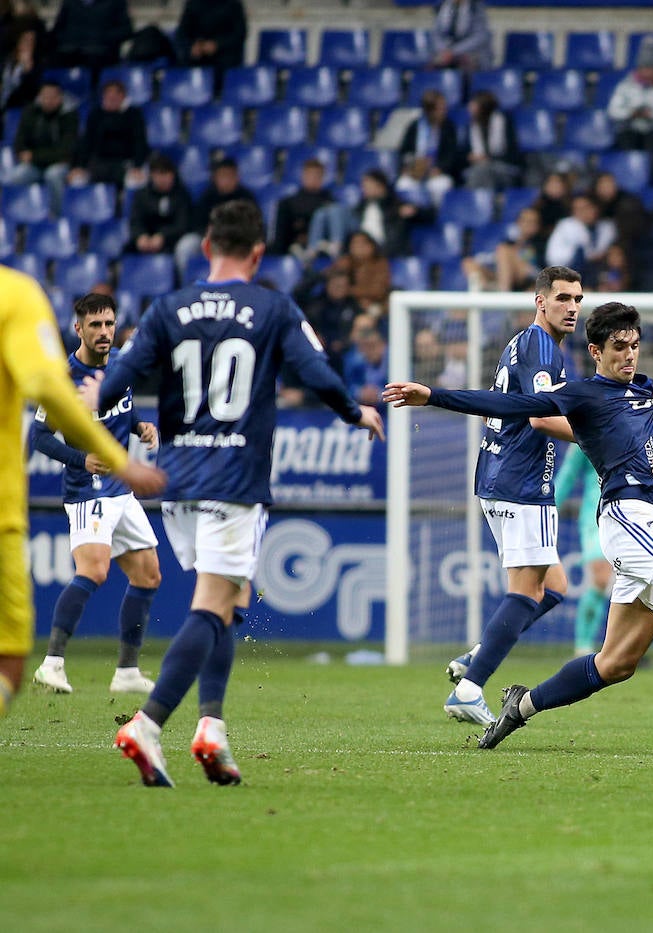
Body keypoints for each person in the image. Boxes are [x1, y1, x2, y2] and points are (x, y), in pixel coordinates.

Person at [104, 200, 384, 787]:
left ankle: (212, 729)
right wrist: (351, 412)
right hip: (234, 479)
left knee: (229, 600)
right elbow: (316, 371)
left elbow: (115, 382)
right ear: (258, 253)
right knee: (213, 604)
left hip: (176, 479)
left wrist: (109, 451)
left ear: (206, 247)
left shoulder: (167, 307)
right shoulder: (272, 307)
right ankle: (148, 725)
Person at [381, 301, 653, 751]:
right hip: (629, 516)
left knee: (616, 664)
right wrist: (433, 395)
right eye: (619, 347)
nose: (629, 355)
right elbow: (512, 404)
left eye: (635, 346)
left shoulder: (650, 391)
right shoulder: (585, 395)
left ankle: (520, 706)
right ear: (597, 351)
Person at [417, 267, 584, 724]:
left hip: (498, 474)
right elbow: (541, 418)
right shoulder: (543, 348)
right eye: (563, 298)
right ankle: (469, 689)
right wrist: (603, 439)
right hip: (523, 481)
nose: (572, 307)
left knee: (555, 587)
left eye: (578, 299)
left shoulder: (522, 342)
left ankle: (477, 657)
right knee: (528, 590)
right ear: (540, 301)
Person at [0, 266, 164, 718]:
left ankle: (127, 670)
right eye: (95, 325)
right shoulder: (63, 373)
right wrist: (81, 459)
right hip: (89, 487)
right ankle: (51, 664)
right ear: (78, 329)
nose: (104, 332)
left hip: (119, 489)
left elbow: (122, 415)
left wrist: (141, 426)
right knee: (92, 570)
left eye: (109, 323)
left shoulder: (120, 370)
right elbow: (41, 437)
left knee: (148, 573)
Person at [554, 444, 610, 657]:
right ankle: (583, 648)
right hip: (594, 517)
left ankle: (625, 648)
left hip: (630, 513)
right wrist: (548, 513)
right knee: (601, 577)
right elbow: (567, 476)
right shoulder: (582, 434)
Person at [176, 157, 257, 276]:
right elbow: (197, 223)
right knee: (186, 246)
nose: (226, 180)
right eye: (222, 176)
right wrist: (211, 235)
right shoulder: (207, 196)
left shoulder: (246, 197)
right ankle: (186, 285)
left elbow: (253, 225)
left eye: (229, 176)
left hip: (238, 240)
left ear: (237, 177)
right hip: (211, 239)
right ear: (215, 178)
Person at [607, 38, 653, 161]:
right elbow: (613, 111)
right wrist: (631, 113)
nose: (646, 72)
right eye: (643, 68)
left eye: (650, 68)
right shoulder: (625, 86)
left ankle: (651, 176)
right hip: (631, 128)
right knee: (626, 139)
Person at [68, 80, 149, 190]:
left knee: (136, 182)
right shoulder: (96, 114)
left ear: (123, 97)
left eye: (114, 98)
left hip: (126, 163)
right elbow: (86, 141)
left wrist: (137, 166)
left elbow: (140, 142)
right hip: (99, 164)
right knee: (76, 181)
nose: (110, 101)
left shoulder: (134, 115)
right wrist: (79, 166)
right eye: (107, 98)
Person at [5, 80, 78, 201]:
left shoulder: (69, 116)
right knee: (13, 177)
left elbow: (65, 151)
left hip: (58, 164)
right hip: (35, 166)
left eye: (52, 97)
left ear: (60, 98)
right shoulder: (30, 112)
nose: (48, 101)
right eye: (45, 97)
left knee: (53, 175)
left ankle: (56, 216)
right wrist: (24, 154)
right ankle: (13, 215)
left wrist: (33, 156)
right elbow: (19, 141)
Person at [399, 90, 462, 205]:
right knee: (403, 184)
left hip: (437, 173)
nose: (444, 111)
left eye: (444, 107)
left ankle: (435, 217)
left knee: (442, 185)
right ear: (430, 111)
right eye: (441, 108)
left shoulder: (448, 128)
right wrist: (409, 168)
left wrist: (439, 168)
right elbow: (404, 151)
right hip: (416, 171)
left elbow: (451, 154)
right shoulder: (415, 126)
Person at [125, 154, 193, 256]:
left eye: (166, 174)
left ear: (173, 174)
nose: (162, 179)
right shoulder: (142, 195)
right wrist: (140, 236)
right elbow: (135, 220)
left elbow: (182, 224)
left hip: (173, 240)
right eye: (158, 174)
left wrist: (163, 236)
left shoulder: (182, 195)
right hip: (146, 240)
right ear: (151, 176)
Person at [270, 158, 334, 260]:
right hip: (292, 247)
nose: (313, 179)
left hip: (321, 250)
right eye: (309, 175)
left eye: (317, 175)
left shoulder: (330, 203)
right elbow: (281, 235)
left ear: (322, 178)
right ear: (303, 176)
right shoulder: (288, 203)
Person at [458, 90, 522, 191]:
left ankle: (475, 201)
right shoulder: (470, 126)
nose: (469, 108)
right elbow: (463, 153)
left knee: (483, 170)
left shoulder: (504, 122)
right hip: (478, 169)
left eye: (474, 104)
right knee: (481, 171)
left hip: (503, 167)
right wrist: (470, 157)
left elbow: (513, 154)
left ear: (483, 108)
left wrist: (488, 159)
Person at [50, 0, 131, 71]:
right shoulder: (70, 2)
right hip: (70, 51)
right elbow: (58, 30)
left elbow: (126, 31)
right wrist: (70, 38)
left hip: (101, 53)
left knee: (94, 59)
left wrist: (101, 38)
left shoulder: (116, 2)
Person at [544, 194, 615, 275]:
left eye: (585, 208)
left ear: (595, 208)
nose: (581, 212)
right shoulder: (568, 224)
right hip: (563, 270)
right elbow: (589, 255)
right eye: (577, 209)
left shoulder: (606, 226)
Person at [327, 231, 391, 318]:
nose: (358, 247)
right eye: (354, 243)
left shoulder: (380, 264)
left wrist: (350, 291)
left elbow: (378, 291)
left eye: (362, 243)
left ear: (371, 246)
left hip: (376, 304)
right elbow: (330, 282)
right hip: (349, 304)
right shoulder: (346, 262)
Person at [175, 0, 247, 72]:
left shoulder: (233, 4)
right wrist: (191, 47)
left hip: (225, 60)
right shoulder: (192, 4)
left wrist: (217, 45)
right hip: (198, 60)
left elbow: (240, 34)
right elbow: (181, 34)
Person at [429, 0, 493, 72]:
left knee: (466, 66)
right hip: (446, 52)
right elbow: (436, 34)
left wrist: (453, 52)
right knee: (431, 66)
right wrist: (444, 50)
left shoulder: (475, 7)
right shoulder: (442, 6)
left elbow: (480, 37)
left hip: (470, 52)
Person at [1, 25, 40, 111]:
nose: (29, 44)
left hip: (19, 105)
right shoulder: (6, 60)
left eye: (32, 41)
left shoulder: (38, 65)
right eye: (26, 40)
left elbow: (30, 93)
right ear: (18, 42)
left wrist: (27, 72)